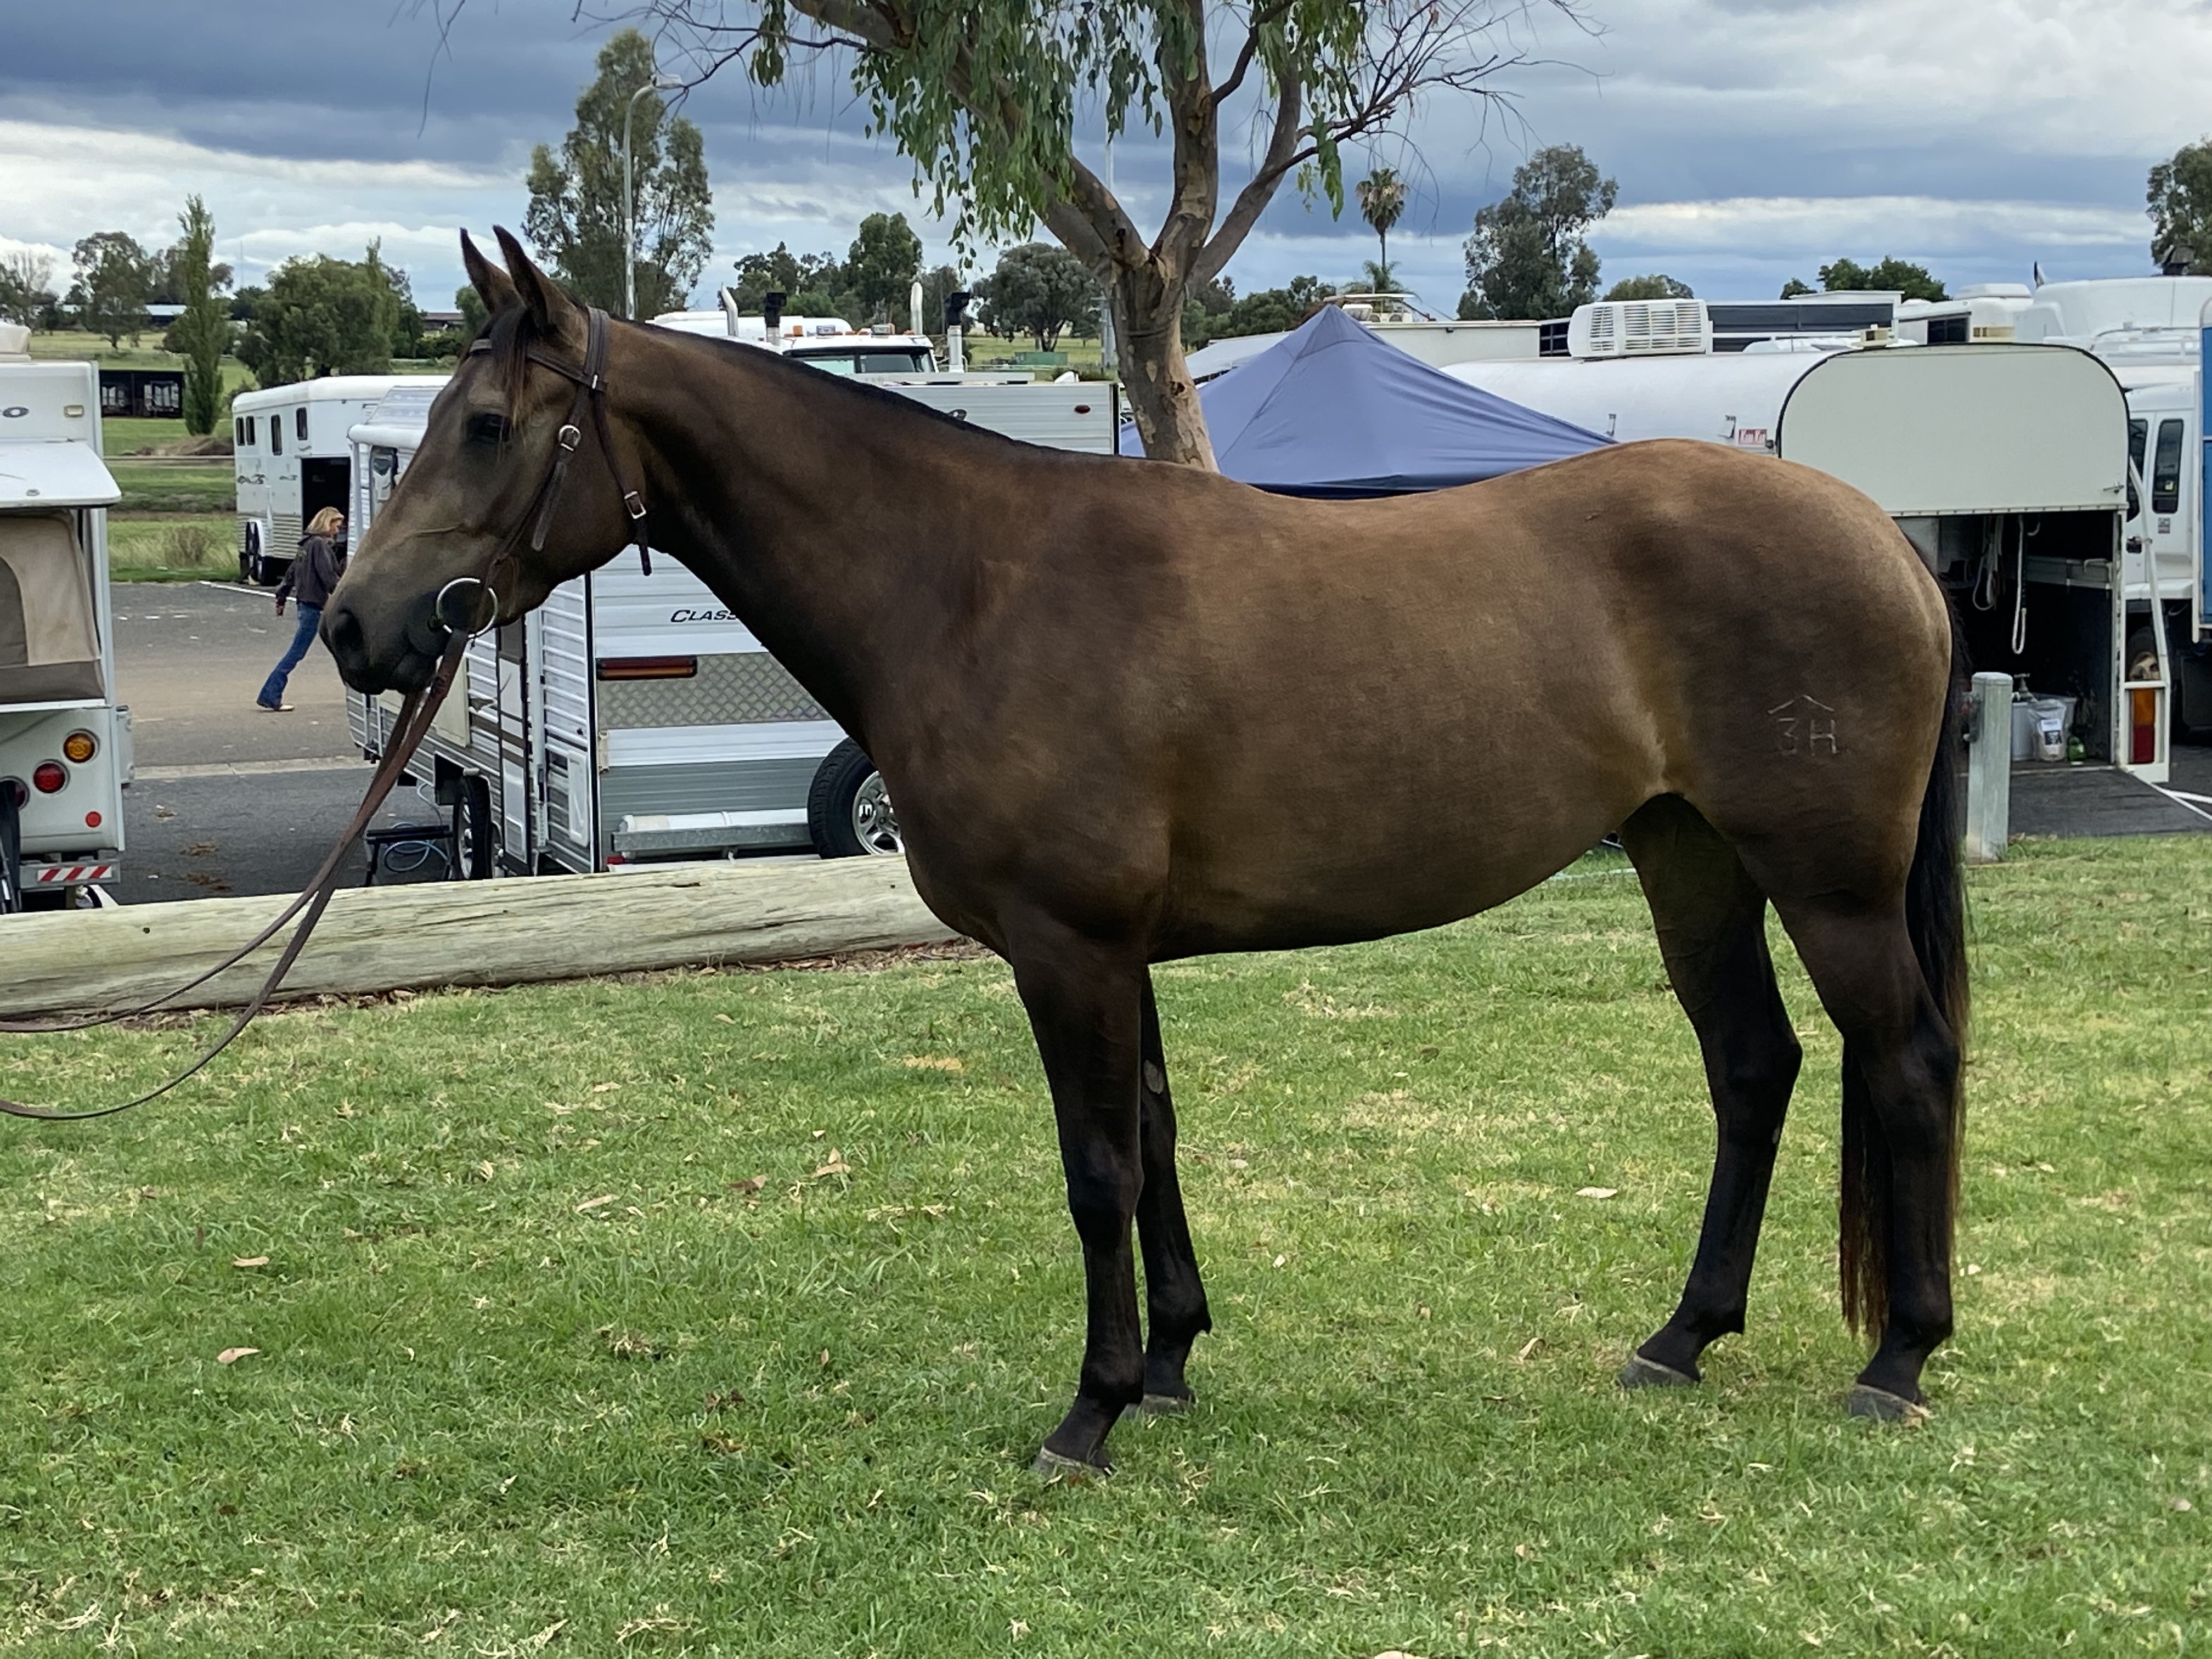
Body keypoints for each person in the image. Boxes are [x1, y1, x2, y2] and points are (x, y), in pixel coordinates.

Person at [258, 507, 347, 712]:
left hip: (305, 605)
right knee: (296, 653)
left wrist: (281, 598)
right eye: (336, 525)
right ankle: (270, 695)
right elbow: (328, 577)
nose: (337, 530)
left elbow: (291, 573)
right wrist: (342, 598)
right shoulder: (320, 545)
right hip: (315, 607)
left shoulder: (305, 544)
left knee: (336, 649)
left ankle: (356, 690)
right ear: (327, 523)